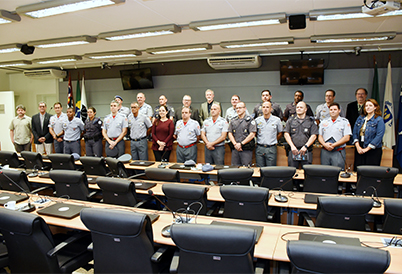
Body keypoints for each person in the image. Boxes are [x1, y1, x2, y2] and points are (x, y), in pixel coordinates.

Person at [284, 101, 318, 168]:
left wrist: (306, 146)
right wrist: (292, 146)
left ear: (305, 109)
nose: (299, 109)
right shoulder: (290, 120)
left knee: (307, 172)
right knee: (292, 172)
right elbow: (286, 134)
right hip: (293, 150)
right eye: (297, 107)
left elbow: (314, 135)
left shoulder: (311, 121)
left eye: (301, 107)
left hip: (306, 151)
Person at [318, 102, 351, 169]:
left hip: (338, 151)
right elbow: (320, 136)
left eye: (335, 109)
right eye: (331, 109)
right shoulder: (324, 122)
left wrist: (334, 145)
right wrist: (324, 144)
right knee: (324, 172)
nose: (333, 111)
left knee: (338, 172)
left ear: (339, 110)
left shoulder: (344, 122)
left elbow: (347, 137)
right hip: (325, 151)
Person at [352, 99, 385, 168]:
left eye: (370, 105)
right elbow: (354, 132)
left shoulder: (379, 119)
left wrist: (366, 149)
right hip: (360, 148)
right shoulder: (360, 118)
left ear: (375, 107)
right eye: (366, 106)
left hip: (373, 149)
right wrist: (358, 147)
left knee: (370, 172)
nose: (368, 107)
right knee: (359, 170)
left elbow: (379, 136)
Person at [255, 101, 283, 167]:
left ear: (271, 109)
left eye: (267, 107)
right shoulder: (257, 120)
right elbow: (254, 133)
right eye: (263, 107)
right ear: (261, 109)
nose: (265, 109)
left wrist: (273, 140)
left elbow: (280, 133)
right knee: (259, 170)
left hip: (271, 148)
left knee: (270, 171)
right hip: (260, 148)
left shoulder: (277, 120)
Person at [228, 102, 256, 166]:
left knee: (246, 169)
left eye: (240, 108)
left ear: (245, 108)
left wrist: (241, 144)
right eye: (237, 108)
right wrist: (235, 144)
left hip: (246, 149)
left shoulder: (250, 120)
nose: (238, 110)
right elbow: (230, 133)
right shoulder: (233, 120)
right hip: (235, 149)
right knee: (234, 169)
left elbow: (252, 134)